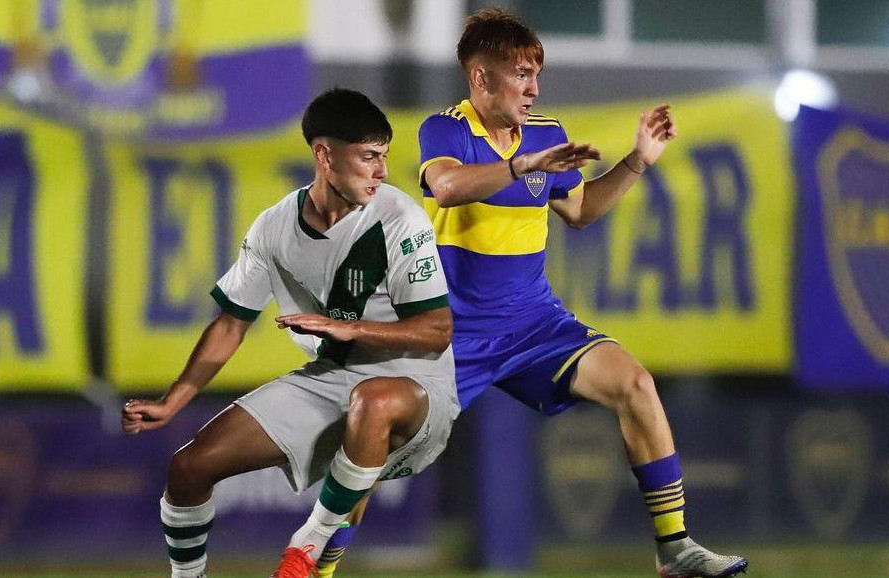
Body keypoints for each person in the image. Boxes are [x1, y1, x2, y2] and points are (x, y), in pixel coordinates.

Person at [313, 8, 748, 578]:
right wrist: (521, 167)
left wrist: (636, 163)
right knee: (368, 460)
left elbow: (582, 209)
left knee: (635, 384)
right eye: (521, 74)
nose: (534, 87)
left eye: (536, 74)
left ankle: (674, 549)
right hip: (451, 336)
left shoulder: (547, 134)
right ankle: (313, 569)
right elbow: (445, 188)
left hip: (533, 324)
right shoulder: (445, 129)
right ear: (481, 78)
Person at [120, 87, 460, 578]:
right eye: (368, 157)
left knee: (373, 400)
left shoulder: (398, 218)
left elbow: (437, 331)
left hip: (416, 387)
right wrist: (172, 401)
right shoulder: (273, 228)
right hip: (329, 378)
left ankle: (308, 545)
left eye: (383, 156)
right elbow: (231, 322)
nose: (381, 171)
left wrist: (346, 328)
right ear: (324, 155)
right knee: (189, 467)